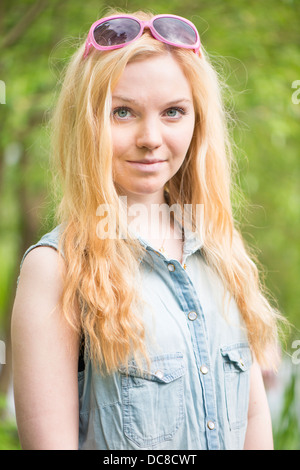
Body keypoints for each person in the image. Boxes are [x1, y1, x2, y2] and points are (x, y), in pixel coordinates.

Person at [11, 9, 285, 450]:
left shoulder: (223, 253)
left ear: (198, 123)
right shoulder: (56, 270)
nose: (151, 137)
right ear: (88, 124)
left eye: (174, 111)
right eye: (123, 112)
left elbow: (253, 418)